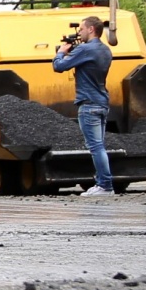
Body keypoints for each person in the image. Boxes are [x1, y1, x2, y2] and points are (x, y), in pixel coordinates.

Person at [54, 15, 115, 196]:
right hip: (102, 102)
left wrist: (61, 52)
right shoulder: (105, 50)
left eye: (81, 29)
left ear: (91, 29)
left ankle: (105, 185)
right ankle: (102, 183)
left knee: (95, 147)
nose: (79, 32)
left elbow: (59, 67)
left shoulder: (85, 50)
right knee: (100, 145)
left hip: (88, 104)